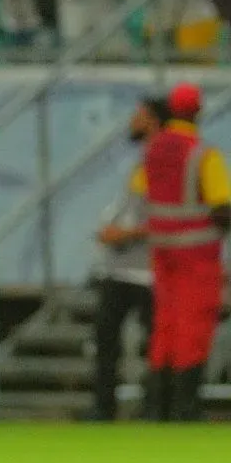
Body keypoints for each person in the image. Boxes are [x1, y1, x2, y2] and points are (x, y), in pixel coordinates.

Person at [138, 82, 230, 421]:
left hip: (162, 252)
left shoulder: (152, 150)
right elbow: (221, 206)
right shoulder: (203, 154)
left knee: (165, 326)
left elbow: (143, 192)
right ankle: (185, 407)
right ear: (198, 112)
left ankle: (155, 406)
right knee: (194, 326)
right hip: (198, 255)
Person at [84, 98, 168, 421]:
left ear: (154, 121)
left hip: (148, 270)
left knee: (154, 345)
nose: (132, 121)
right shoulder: (143, 161)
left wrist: (124, 235)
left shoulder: (163, 161)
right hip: (120, 268)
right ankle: (103, 407)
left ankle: (154, 408)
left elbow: (167, 217)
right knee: (106, 341)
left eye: (139, 116)